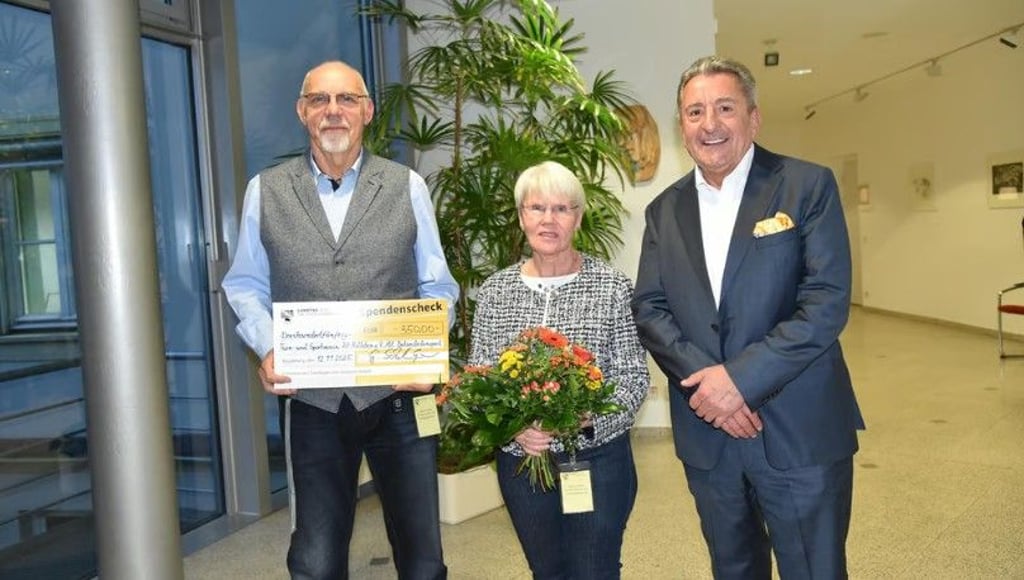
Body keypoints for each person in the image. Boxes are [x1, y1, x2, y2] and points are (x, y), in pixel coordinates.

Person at [221, 60, 457, 579]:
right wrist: (268, 346)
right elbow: (245, 284)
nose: (333, 111)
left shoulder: (406, 186)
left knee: (422, 559)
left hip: (400, 397)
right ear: (301, 111)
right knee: (316, 560)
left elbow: (438, 286)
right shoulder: (265, 190)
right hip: (313, 402)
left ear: (367, 111)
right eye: (319, 100)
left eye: (347, 99)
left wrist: (428, 353)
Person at [632, 56, 865, 580]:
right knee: (733, 568)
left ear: (753, 118)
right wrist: (709, 389)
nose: (709, 124)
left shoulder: (806, 186)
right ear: (681, 124)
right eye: (695, 111)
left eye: (724, 108)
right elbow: (650, 307)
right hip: (709, 434)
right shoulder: (663, 211)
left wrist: (738, 381)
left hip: (798, 428)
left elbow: (825, 301)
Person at [468, 160, 650, 579]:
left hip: (597, 460)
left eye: (561, 209)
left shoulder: (612, 286)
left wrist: (586, 419)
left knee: (594, 570)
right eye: (536, 208)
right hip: (522, 462)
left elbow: (632, 378)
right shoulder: (495, 291)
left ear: (578, 218)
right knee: (546, 571)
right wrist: (514, 428)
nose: (548, 219)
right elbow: (479, 378)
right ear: (521, 217)